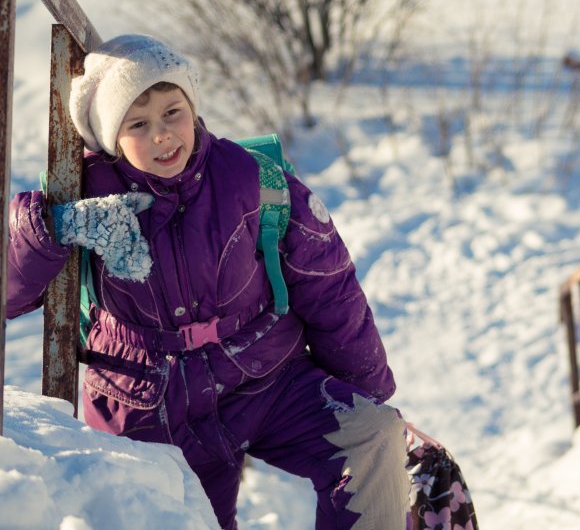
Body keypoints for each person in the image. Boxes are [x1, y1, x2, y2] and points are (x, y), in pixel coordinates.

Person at [6, 34, 409, 529]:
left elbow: (327, 281)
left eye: (172, 112)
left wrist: (365, 390)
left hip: (261, 377)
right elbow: (9, 292)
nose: (161, 134)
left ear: (192, 107)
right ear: (111, 138)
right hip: (148, 408)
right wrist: (52, 227)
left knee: (373, 437)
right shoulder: (83, 192)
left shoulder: (250, 178)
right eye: (138, 123)